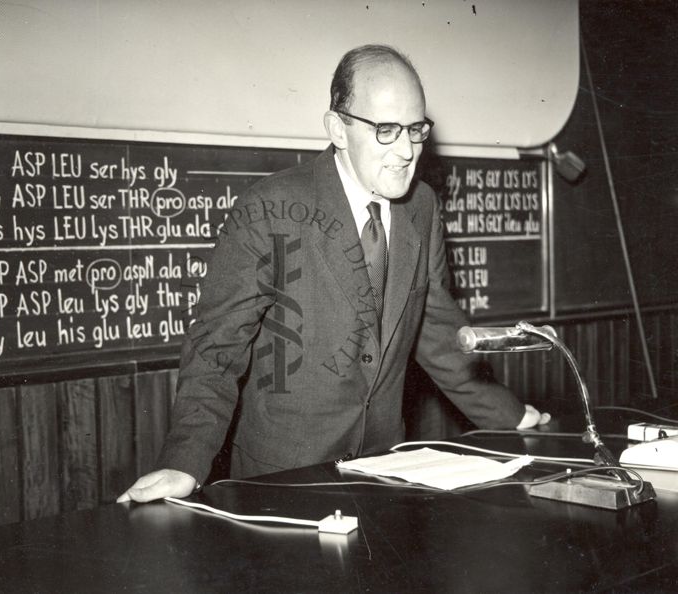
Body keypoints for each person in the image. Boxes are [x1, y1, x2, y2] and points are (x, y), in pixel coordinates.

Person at [118, 44, 547, 504]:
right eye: (386, 130)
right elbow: (216, 350)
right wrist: (184, 462)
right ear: (338, 129)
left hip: (386, 472)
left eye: (416, 129)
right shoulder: (269, 209)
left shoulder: (421, 207)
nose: (406, 150)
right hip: (283, 479)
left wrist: (510, 415)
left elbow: (437, 330)